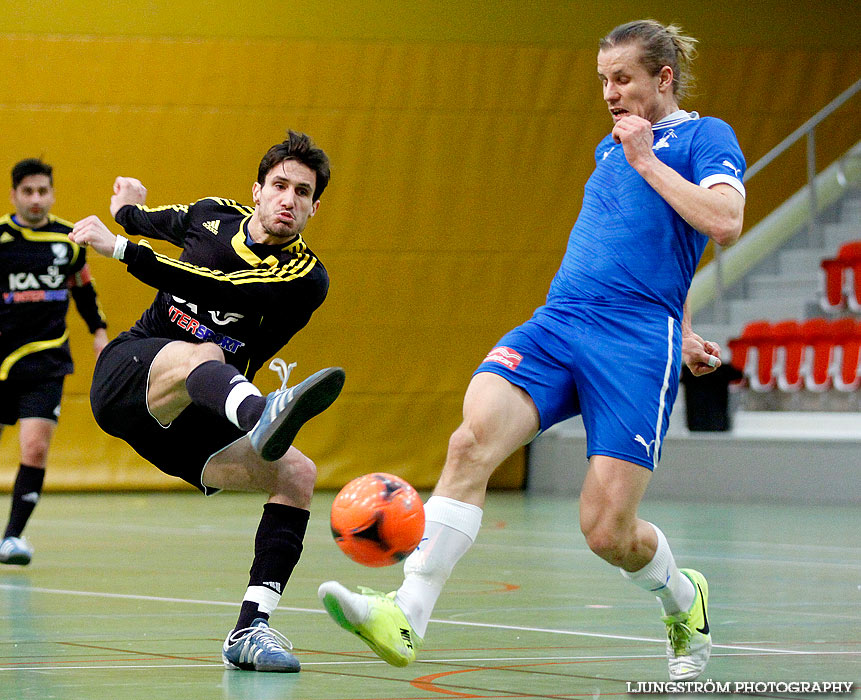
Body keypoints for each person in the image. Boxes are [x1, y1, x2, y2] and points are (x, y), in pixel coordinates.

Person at [318, 20, 746, 682]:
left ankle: (682, 598)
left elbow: (720, 223)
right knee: (469, 443)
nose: (609, 93)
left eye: (622, 79)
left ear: (662, 78)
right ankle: (407, 613)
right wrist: (686, 322)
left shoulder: (700, 138)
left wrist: (647, 162)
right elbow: (649, 243)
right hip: (559, 323)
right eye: (602, 80)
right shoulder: (613, 148)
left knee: (606, 534)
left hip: (633, 345)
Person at [69, 130, 345, 673]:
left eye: (303, 193)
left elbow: (224, 289)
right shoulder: (211, 214)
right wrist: (127, 207)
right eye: (280, 185)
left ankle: (250, 628)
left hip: (195, 417)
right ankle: (260, 415)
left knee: (297, 474)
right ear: (257, 190)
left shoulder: (305, 277)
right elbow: (148, 220)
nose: (288, 200)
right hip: (131, 377)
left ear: (315, 208)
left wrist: (123, 251)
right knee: (204, 351)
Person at [0, 158, 108, 566]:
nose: (35, 199)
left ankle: (12, 537)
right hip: (2, 361)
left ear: (52, 194)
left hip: (46, 361)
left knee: (35, 448)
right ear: (14, 195)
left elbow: (84, 291)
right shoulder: (1, 238)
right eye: (27, 191)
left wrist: (99, 332)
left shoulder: (68, 241)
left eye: (42, 191)